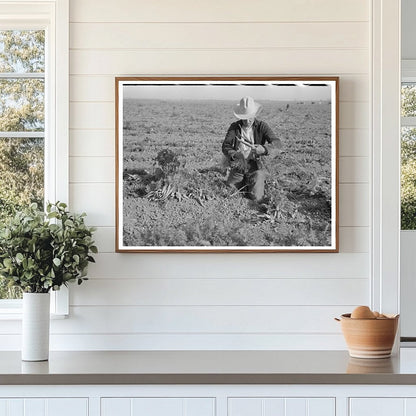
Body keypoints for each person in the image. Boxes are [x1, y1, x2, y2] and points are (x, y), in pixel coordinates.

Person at [222, 96, 281, 203]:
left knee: (256, 198)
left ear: (254, 114)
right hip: (239, 165)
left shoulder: (262, 126)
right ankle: (244, 184)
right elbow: (226, 146)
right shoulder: (234, 127)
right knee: (229, 190)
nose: (248, 121)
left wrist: (264, 149)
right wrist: (236, 155)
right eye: (245, 117)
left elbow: (277, 143)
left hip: (256, 166)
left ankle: (252, 186)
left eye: (250, 117)